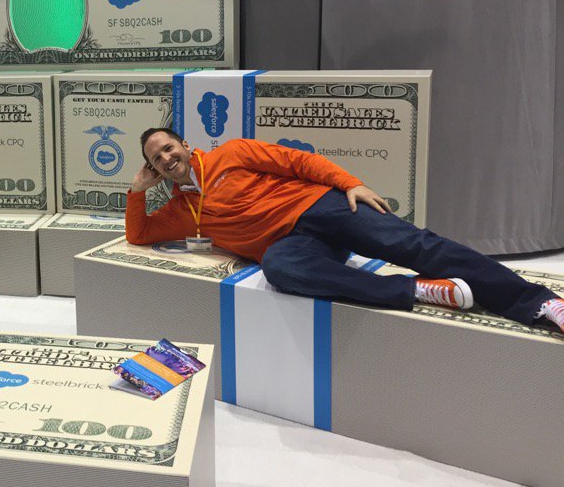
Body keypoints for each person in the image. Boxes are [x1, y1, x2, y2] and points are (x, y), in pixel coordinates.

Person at [126, 128, 564, 333]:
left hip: (322, 207)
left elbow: (298, 161)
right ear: (155, 169)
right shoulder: (181, 209)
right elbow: (140, 235)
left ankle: (541, 303)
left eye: (168, 148)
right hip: (293, 246)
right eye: (156, 159)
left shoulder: (232, 153)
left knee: (412, 243)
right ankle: (416, 290)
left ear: (185, 145)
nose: (166, 158)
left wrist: (350, 183)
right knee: (280, 269)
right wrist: (136, 191)